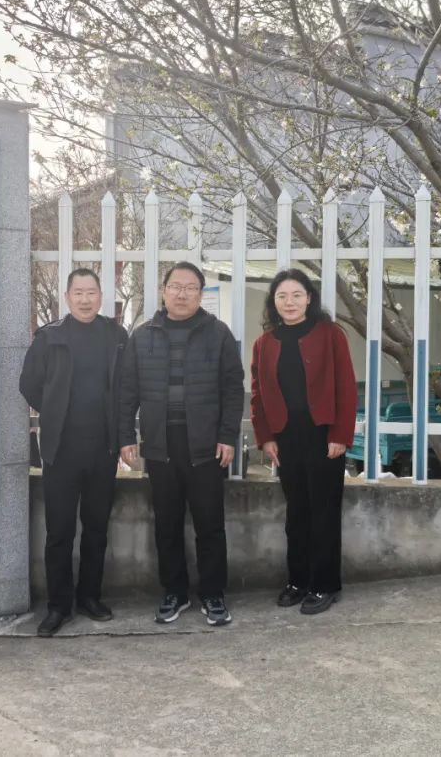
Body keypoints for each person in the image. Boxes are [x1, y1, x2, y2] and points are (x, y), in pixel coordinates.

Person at [119, 262, 245, 626]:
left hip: (205, 444)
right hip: (160, 443)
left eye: (191, 288)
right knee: (167, 523)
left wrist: (227, 436)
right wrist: (126, 436)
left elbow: (232, 389)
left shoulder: (217, 333)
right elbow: (127, 391)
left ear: (201, 294)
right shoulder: (143, 336)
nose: (182, 294)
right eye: (175, 286)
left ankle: (213, 593)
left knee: (210, 524)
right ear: (164, 291)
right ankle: (174, 591)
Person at [20, 269, 129, 637]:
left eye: (91, 292)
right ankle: (58, 606)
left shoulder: (116, 336)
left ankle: (89, 597)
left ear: (101, 297)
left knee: (97, 528)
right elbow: (29, 384)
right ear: (67, 297)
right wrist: (54, 411)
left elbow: (126, 386)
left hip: (103, 449)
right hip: (60, 450)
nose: (85, 299)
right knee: (60, 531)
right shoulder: (49, 338)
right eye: (78, 293)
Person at [250, 269, 358, 615]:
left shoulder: (330, 334)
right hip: (286, 438)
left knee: (323, 512)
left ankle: (325, 584)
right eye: (282, 296)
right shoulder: (264, 343)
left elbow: (346, 387)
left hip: (323, 437)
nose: (290, 302)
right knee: (296, 512)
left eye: (297, 294)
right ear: (274, 302)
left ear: (309, 298)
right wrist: (266, 437)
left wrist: (340, 435)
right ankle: (297, 581)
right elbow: (258, 395)